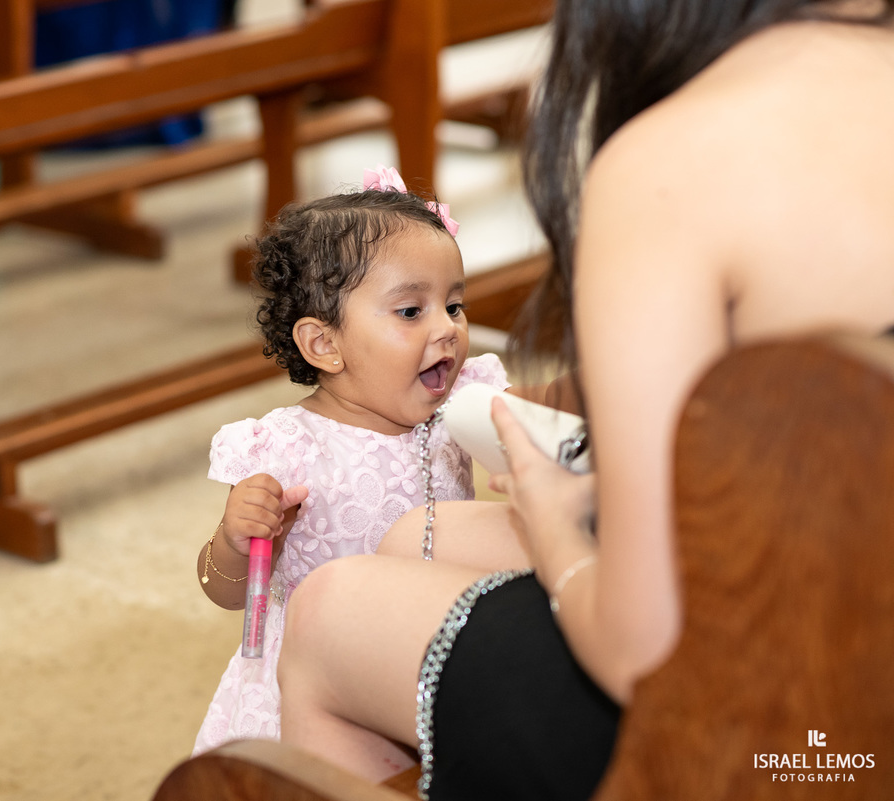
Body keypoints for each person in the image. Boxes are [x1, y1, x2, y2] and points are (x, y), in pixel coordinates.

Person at [276, 1, 894, 798]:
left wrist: (560, 529)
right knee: (412, 539)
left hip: (811, 718)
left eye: (453, 305)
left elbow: (644, 647)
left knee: (330, 610)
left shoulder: (672, 163)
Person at [192, 167, 522, 755]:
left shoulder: (459, 409)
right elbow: (224, 592)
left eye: (454, 304)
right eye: (411, 312)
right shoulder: (289, 448)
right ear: (325, 344)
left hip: (430, 641)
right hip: (321, 677)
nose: (448, 329)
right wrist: (235, 541)